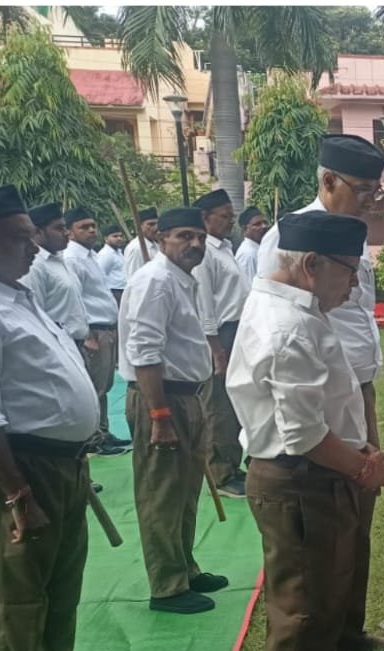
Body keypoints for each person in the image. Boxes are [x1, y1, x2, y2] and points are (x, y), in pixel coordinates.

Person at [227, 208, 384, 651]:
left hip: (312, 477)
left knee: (321, 606)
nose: (354, 285)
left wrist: (359, 454)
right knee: (300, 617)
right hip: (299, 481)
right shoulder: (290, 326)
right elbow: (301, 435)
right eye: (348, 272)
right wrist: (363, 467)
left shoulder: (294, 307)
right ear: (312, 264)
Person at [0, 185, 138, 651]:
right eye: (18, 238)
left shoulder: (18, 296)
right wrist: (17, 495)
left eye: (32, 235)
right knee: (22, 596)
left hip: (64, 465)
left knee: (61, 586)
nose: (32, 247)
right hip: (24, 471)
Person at [255, 134, 384, 651]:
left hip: (355, 388)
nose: (370, 201)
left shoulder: (352, 237)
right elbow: (281, 330)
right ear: (328, 181)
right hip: (315, 395)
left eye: (376, 192)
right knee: (324, 529)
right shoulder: (292, 236)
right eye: (363, 190)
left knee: (357, 517)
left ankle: (348, 631)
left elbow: (359, 316)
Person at [118, 205, 228, 615]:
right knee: (162, 493)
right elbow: (145, 352)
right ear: (161, 239)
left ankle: (185, 568)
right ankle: (166, 586)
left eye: (199, 237)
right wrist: (159, 415)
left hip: (187, 396)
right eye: (184, 236)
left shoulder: (182, 280)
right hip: (161, 399)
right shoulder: (156, 282)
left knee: (185, 489)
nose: (194, 244)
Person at [192, 188, 248, 495]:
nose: (231, 221)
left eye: (232, 216)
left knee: (235, 400)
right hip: (219, 335)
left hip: (237, 331)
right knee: (218, 405)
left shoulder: (225, 248)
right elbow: (205, 305)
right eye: (225, 216)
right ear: (206, 217)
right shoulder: (205, 253)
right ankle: (220, 473)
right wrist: (215, 348)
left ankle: (232, 462)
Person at [62, 205, 123, 447]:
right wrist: (86, 333)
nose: (91, 231)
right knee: (96, 386)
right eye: (83, 227)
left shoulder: (90, 256)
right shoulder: (72, 258)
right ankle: (94, 438)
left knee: (105, 385)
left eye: (93, 226)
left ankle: (103, 431)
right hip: (94, 331)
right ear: (69, 232)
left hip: (106, 327)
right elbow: (74, 298)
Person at [24, 203, 90, 349]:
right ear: (37, 232)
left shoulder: (60, 259)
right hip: (57, 347)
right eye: (59, 228)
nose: (66, 233)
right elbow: (35, 316)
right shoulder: (34, 266)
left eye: (65, 227)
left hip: (77, 345)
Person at [235, 206, 268, 284]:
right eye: (257, 224)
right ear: (245, 229)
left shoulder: (258, 249)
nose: (264, 226)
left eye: (265, 222)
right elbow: (249, 286)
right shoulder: (248, 254)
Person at [123, 208, 160, 278]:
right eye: (151, 224)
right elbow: (134, 277)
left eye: (157, 224)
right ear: (140, 226)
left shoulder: (156, 245)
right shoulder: (136, 248)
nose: (156, 227)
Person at [97, 223, 128, 302]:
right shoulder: (105, 254)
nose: (119, 238)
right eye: (115, 236)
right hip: (115, 291)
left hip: (124, 290)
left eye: (120, 236)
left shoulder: (118, 252)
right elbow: (100, 275)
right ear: (106, 239)